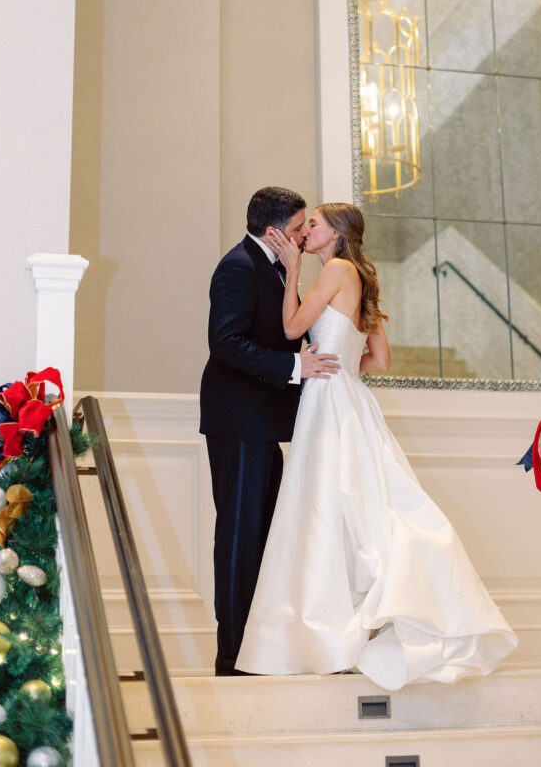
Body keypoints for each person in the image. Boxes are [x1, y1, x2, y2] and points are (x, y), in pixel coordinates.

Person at [236, 203, 517, 689]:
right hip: (349, 396)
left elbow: (292, 329)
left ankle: (325, 630)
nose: (306, 231)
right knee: (352, 504)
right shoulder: (363, 276)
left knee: (324, 506)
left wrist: (293, 271)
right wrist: (342, 363)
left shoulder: (336, 270)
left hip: (328, 399)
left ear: (335, 234)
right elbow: (380, 359)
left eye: (314, 224)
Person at [200, 186, 340, 676]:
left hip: (263, 421)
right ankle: (232, 654)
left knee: (263, 533)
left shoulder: (277, 265)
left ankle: (258, 647)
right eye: (299, 227)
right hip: (238, 420)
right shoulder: (238, 267)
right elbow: (225, 343)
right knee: (239, 536)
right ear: (274, 230)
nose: (304, 235)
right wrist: (295, 366)